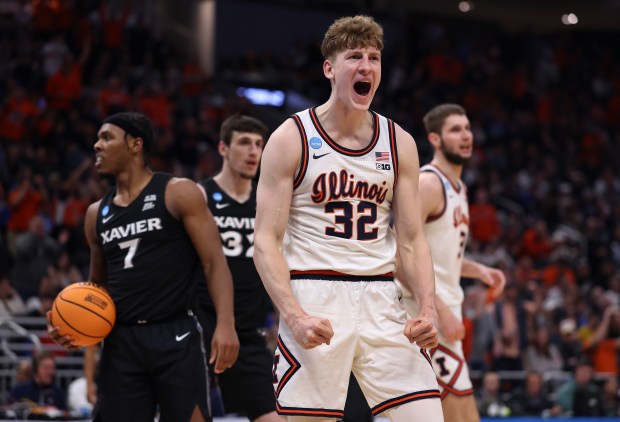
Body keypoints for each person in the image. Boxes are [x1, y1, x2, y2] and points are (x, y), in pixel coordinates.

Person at [253, 15, 443, 421]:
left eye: (374, 58)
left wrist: (427, 307)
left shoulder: (399, 142)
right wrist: (293, 315)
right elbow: (265, 241)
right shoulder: (291, 137)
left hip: (381, 297)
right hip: (314, 296)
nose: (366, 66)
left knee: (426, 415)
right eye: (354, 56)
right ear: (329, 68)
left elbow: (411, 240)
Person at [47, 112, 239, 422]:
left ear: (136, 145)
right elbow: (98, 290)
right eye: (97, 139)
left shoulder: (178, 192)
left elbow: (214, 262)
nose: (97, 145)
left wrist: (226, 323)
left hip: (175, 333)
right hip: (121, 341)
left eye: (107, 137)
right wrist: (70, 325)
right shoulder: (96, 214)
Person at [398, 103, 506, 422]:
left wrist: (480, 270)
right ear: (435, 139)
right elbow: (396, 253)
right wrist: (439, 310)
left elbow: (442, 255)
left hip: (441, 313)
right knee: (461, 413)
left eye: (468, 128)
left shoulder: (460, 188)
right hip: (420, 313)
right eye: (455, 130)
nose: (466, 136)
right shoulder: (428, 183)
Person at [198, 114, 282, 421]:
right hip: (202, 325)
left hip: (249, 331)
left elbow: (276, 262)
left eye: (259, 145)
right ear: (223, 148)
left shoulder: (268, 201)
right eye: (244, 143)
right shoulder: (200, 196)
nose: (253, 152)